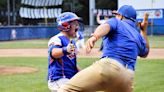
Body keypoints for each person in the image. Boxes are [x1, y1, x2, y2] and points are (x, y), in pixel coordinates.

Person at [58, 5, 150, 92]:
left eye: (117, 14)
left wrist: (95, 36)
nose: (116, 16)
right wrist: (143, 30)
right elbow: (145, 53)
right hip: (127, 77)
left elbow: (106, 26)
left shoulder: (117, 22)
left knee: (66, 89)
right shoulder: (138, 36)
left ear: (121, 16)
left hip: (111, 67)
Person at [47, 12, 81, 92]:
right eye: (75, 24)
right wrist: (65, 50)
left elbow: (72, 63)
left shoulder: (72, 42)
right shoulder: (57, 39)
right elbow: (54, 53)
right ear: (66, 25)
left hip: (69, 78)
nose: (77, 27)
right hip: (59, 78)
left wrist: (84, 73)